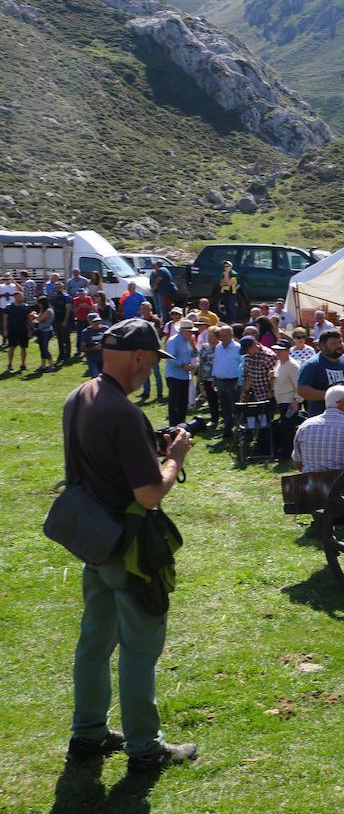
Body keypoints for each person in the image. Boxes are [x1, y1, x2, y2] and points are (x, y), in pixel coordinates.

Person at [64, 317, 198, 771]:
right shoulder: (124, 413)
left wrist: (147, 448)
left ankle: (88, 733)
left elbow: (95, 463)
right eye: (152, 361)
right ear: (139, 357)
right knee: (139, 647)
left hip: (93, 538)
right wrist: (174, 459)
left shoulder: (79, 396)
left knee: (95, 640)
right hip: (129, 545)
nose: (151, 370)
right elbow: (149, 495)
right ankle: (145, 746)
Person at [164, 319, 198, 427]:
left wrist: (193, 346)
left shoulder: (188, 341)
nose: (191, 333)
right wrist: (183, 365)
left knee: (183, 402)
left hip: (184, 376)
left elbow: (194, 355)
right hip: (174, 375)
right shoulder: (173, 341)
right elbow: (170, 358)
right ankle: (173, 425)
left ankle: (181, 424)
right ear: (183, 331)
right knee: (175, 402)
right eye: (190, 331)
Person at [211, 325, 242, 439]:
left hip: (233, 382)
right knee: (224, 407)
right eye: (221, 336)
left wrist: (239, 382)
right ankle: (227, 430)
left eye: (225, 336)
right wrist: (214, 378)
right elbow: (216, 362)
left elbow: (242, 366)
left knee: (235, 407)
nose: (223, 338)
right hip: (220, 381)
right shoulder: (218, 347)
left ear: (231, 335)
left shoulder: (238, 348)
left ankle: (239, 431)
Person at [194, 319, 219, 428]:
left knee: (222, 400)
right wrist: (200, 378)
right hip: (206, 377)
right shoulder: (204, 347)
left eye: (212, 336)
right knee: (211, 399)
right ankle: (214, 419)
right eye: (208, 335)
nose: (209, 338)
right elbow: (201, 362)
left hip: (218, 378)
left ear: (218, 337)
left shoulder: (220, 348)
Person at [137, 302, 164, 401]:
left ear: (150, 309)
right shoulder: (139, 321)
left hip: (153, 350)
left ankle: (159, 393)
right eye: (142, 309)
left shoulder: (155, 320)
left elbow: (158, 335)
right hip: (143, 351)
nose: (144, 311)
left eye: (146, 309)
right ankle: (146, 392)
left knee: (156, 372)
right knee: (144, 373)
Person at [5, 289, 32, 372]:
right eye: (19, 297)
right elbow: (5, 319)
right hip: (12, 330)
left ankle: (23, 364)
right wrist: (5, 330)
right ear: (15, 297)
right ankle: (10, 364)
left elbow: (30, 319)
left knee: (23, 348)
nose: (21, 298)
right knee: (11, 347)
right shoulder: (9, 307)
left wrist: (30, 329)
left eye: (22, 297)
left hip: (23, 330)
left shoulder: (26, 307)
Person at [50, 280, 74, 363]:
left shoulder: (66, 297)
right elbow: (52, 308)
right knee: (59, 338)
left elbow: (68, 309)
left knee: (66, 337)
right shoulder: (54, 297)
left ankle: (67, 354)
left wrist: (65, 321)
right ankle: (61, 354)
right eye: (56, 287)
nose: (58, 288)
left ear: (62, 287)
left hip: (64, 319)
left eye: (59, 287)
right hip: (56, 319)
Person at [31, 294, 55, 371]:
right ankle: (43, 365)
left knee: (45, 349)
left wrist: (34, 315)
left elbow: (39, 319)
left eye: (40, 303)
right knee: (42, 349)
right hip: (41, 331)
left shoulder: (48, 311)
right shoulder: (43, 310)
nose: (39, 305)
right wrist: (34, 317)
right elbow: (36, 320)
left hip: (46, 332)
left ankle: (51, 366)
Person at [79, 313, 107, 377]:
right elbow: (82, 348)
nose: (97, 323)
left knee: (106, 378)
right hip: (92, 359)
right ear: (89, 322)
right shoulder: (85, 332)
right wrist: (94, 348)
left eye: (98, 320)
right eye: (94, 321)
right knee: (95, 377)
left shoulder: (105, 329)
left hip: (105, 358)